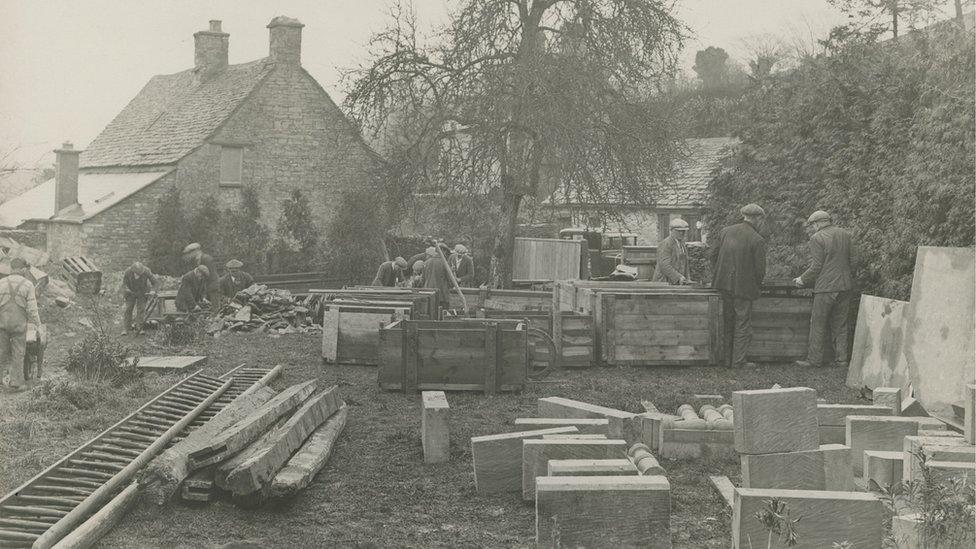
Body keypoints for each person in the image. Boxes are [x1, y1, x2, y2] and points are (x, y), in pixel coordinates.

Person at [793, 210, 854, 368]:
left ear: (818, 223)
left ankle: (814, 360)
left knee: (818, 323)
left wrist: (802, 279)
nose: (813, 228)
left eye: (813, 225)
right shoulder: (845, 234)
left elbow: (816, 266)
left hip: (826, 287)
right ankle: (841, 360)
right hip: (845, 286)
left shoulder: (816, 238)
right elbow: (854, 260)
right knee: (840, 324)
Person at [711, 203, 767, 368]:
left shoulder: (725, 232)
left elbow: (713, 255)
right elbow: (760, 270)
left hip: (723, 285)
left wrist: (719, 274)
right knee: (742, 324)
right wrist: (756, 285)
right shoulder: (757, 239)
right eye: (760, 219)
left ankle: (726, 360)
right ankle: (738, 361)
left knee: (728, 322)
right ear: (757, 219)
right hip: (743, 288)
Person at [0, 258, 41, 392]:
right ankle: (16, 383)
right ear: (22, 269)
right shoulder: (28, 285)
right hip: (19, 325)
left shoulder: (1, 283)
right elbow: (32, 309)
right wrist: (38, 324)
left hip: (2, 324)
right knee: (18, 352)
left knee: (1, 352)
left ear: (11, 268)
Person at [121, 261, 158, 335]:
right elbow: (124, 284)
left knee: (141, 309)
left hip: (142, 292)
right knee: (128, 309)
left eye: (140, 274)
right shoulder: (128, 272)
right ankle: (126, 328)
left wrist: (153, 291)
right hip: (131, 292)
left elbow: (155, 283)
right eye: (137, 274)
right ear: (133, 271)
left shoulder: (146, 271)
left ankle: (140, 328)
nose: (138, 276)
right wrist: (126, 289)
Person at [653, 218, 691, 285]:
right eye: (678, 231)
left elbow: (684, 264)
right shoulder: (666, 244)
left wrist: (687, 278)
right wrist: (678, 277)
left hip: (677, 282)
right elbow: (664, 266)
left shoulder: (682, 244)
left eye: (683, 231)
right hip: (664, 283)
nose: (681, 233)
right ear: (672, 230)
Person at [182, 243, 219, 310]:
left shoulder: (207, 259)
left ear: (196, 251)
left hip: (212, 288)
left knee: (214, 310)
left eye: (189, 253)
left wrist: (204, 293)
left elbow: (211, 277)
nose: (189, 256)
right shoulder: (195, 261)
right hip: (204, 289)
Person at [423, 244, 453, 309]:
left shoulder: (427, 262)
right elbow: (450, 280)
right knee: (442, 315)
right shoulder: (445, 263)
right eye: (446, 253)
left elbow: (423, 279)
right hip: (442, 295)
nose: (446, 255)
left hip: (428, 293)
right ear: (443, 251)